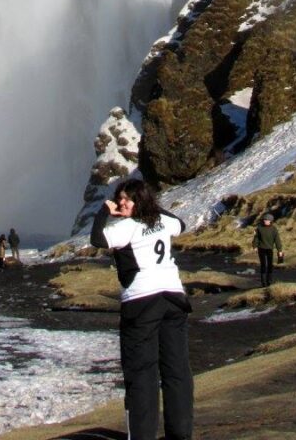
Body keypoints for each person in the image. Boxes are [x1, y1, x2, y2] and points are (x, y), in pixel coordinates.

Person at [91, 178, 193, 440]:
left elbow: (97, 239)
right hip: (173, 297)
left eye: (127, 198)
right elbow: (181, 224)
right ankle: (180, 434)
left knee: (141, 373)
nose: (122, 203)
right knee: (176, 369)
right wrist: (152, 207)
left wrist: (105, 210)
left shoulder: (127, 227)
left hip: (141, 302)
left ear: (138, 201)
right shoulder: (162, 221)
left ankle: (142, 435)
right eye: (120, 198)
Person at [252, 212, 284, 286]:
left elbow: (277, 240)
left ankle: (269, 281)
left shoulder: (274, 229)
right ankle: (263, 283)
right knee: (263, 265)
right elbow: (256, 238)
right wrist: (255, 246)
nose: (265, 221)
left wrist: (280, 251)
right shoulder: (259, 228)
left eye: (267, 220)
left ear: (271, 221)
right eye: (264, 220)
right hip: (261, 249)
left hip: (269, 249)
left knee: (270, 265)